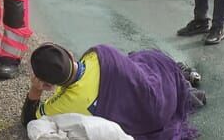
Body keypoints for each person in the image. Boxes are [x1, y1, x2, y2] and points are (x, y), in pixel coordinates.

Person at [21, 43, 205, 140]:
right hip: (160, 92)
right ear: (69, 54)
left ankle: (186, 88)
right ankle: (183, 78)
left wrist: (35, 90)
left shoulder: (65, 105)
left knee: (132, 65)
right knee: (139, 58)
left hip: (150, 119)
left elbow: (28, 119)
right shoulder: (97, 54)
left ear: (49, 84)